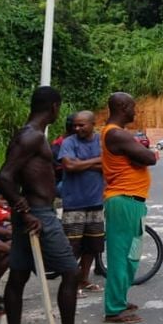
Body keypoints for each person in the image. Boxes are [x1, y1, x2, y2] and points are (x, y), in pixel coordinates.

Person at [0, 86, 103, 324]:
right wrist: (25, 210)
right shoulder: (30, 137)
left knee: (18, 275)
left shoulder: (31, 135)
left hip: (31, 213)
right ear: (54, 107)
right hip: (38, 215)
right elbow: (4, 176)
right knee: (69, 271)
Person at [101, 92, 158, 324]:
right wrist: (145, 154)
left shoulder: (117, 134)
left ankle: (120, 300)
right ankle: (114, 309)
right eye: (133, 107)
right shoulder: (116, 133)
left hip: (132, 201)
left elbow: (142, 158)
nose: (136, 111)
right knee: (120, 256)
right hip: (123, 200)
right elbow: (149, 158)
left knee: (131, 255)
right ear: (123, 107)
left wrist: (141, 156)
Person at [58, 111, 106, 292]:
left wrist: (82, 163)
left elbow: (108, 165)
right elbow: (69, 165)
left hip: (95, 200)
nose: (77, 128)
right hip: (74, 202)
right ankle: (70, 281)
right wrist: (96, 162)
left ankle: (84, 279)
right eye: (75, 125)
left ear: (93, 123)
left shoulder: (101, 141)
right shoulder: (69, 142)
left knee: (93, 245)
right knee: (72, 246)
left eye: (81, 125)